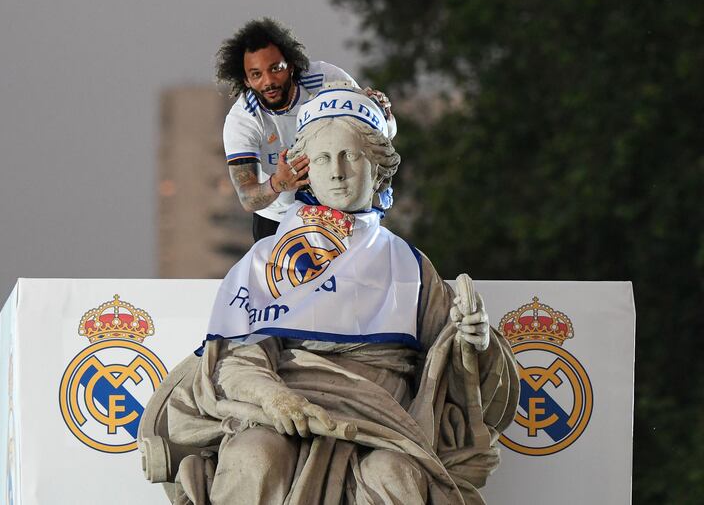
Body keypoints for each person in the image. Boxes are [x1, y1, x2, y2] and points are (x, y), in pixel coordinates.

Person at [139, 84, 518, 504]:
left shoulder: (407, 264)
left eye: (351, 156)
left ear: (378, 170)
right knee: (255, 455)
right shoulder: (267, 259)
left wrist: (475, 341)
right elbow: (237, 358)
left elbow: (453, 363)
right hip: (284, 414)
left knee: (398, 476)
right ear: (304, 170)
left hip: (384, 427)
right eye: (322, 158)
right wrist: (274, 397)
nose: (336, 171)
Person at [216, 17, 396, 241]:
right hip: (277, 218)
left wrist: (382, 112)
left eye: (276, 68)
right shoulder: (243, 120)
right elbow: (246, 196)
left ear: (291, 65)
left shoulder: (327, 79)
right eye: (256, 74)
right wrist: (278, 183)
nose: (268, 80)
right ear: (246, 80)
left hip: (336, 206)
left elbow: (378, 135)